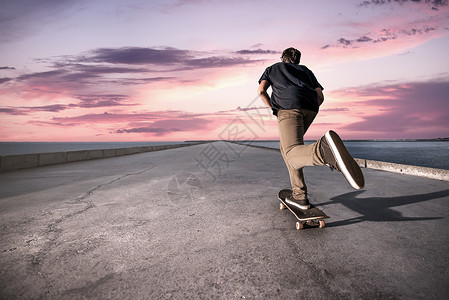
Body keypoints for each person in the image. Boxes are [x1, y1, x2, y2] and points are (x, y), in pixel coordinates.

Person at [257, 47, 364, 210]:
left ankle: (323, 151)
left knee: (291, 152)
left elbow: (261, 91)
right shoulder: (306, 71)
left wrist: (276, 110)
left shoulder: (273, 68)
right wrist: (308, 107)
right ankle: (299, 194)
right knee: (287, 148)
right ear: (298, 60)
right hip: (311, 108)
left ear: (282, 58)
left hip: (287, 109)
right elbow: (320, 96)